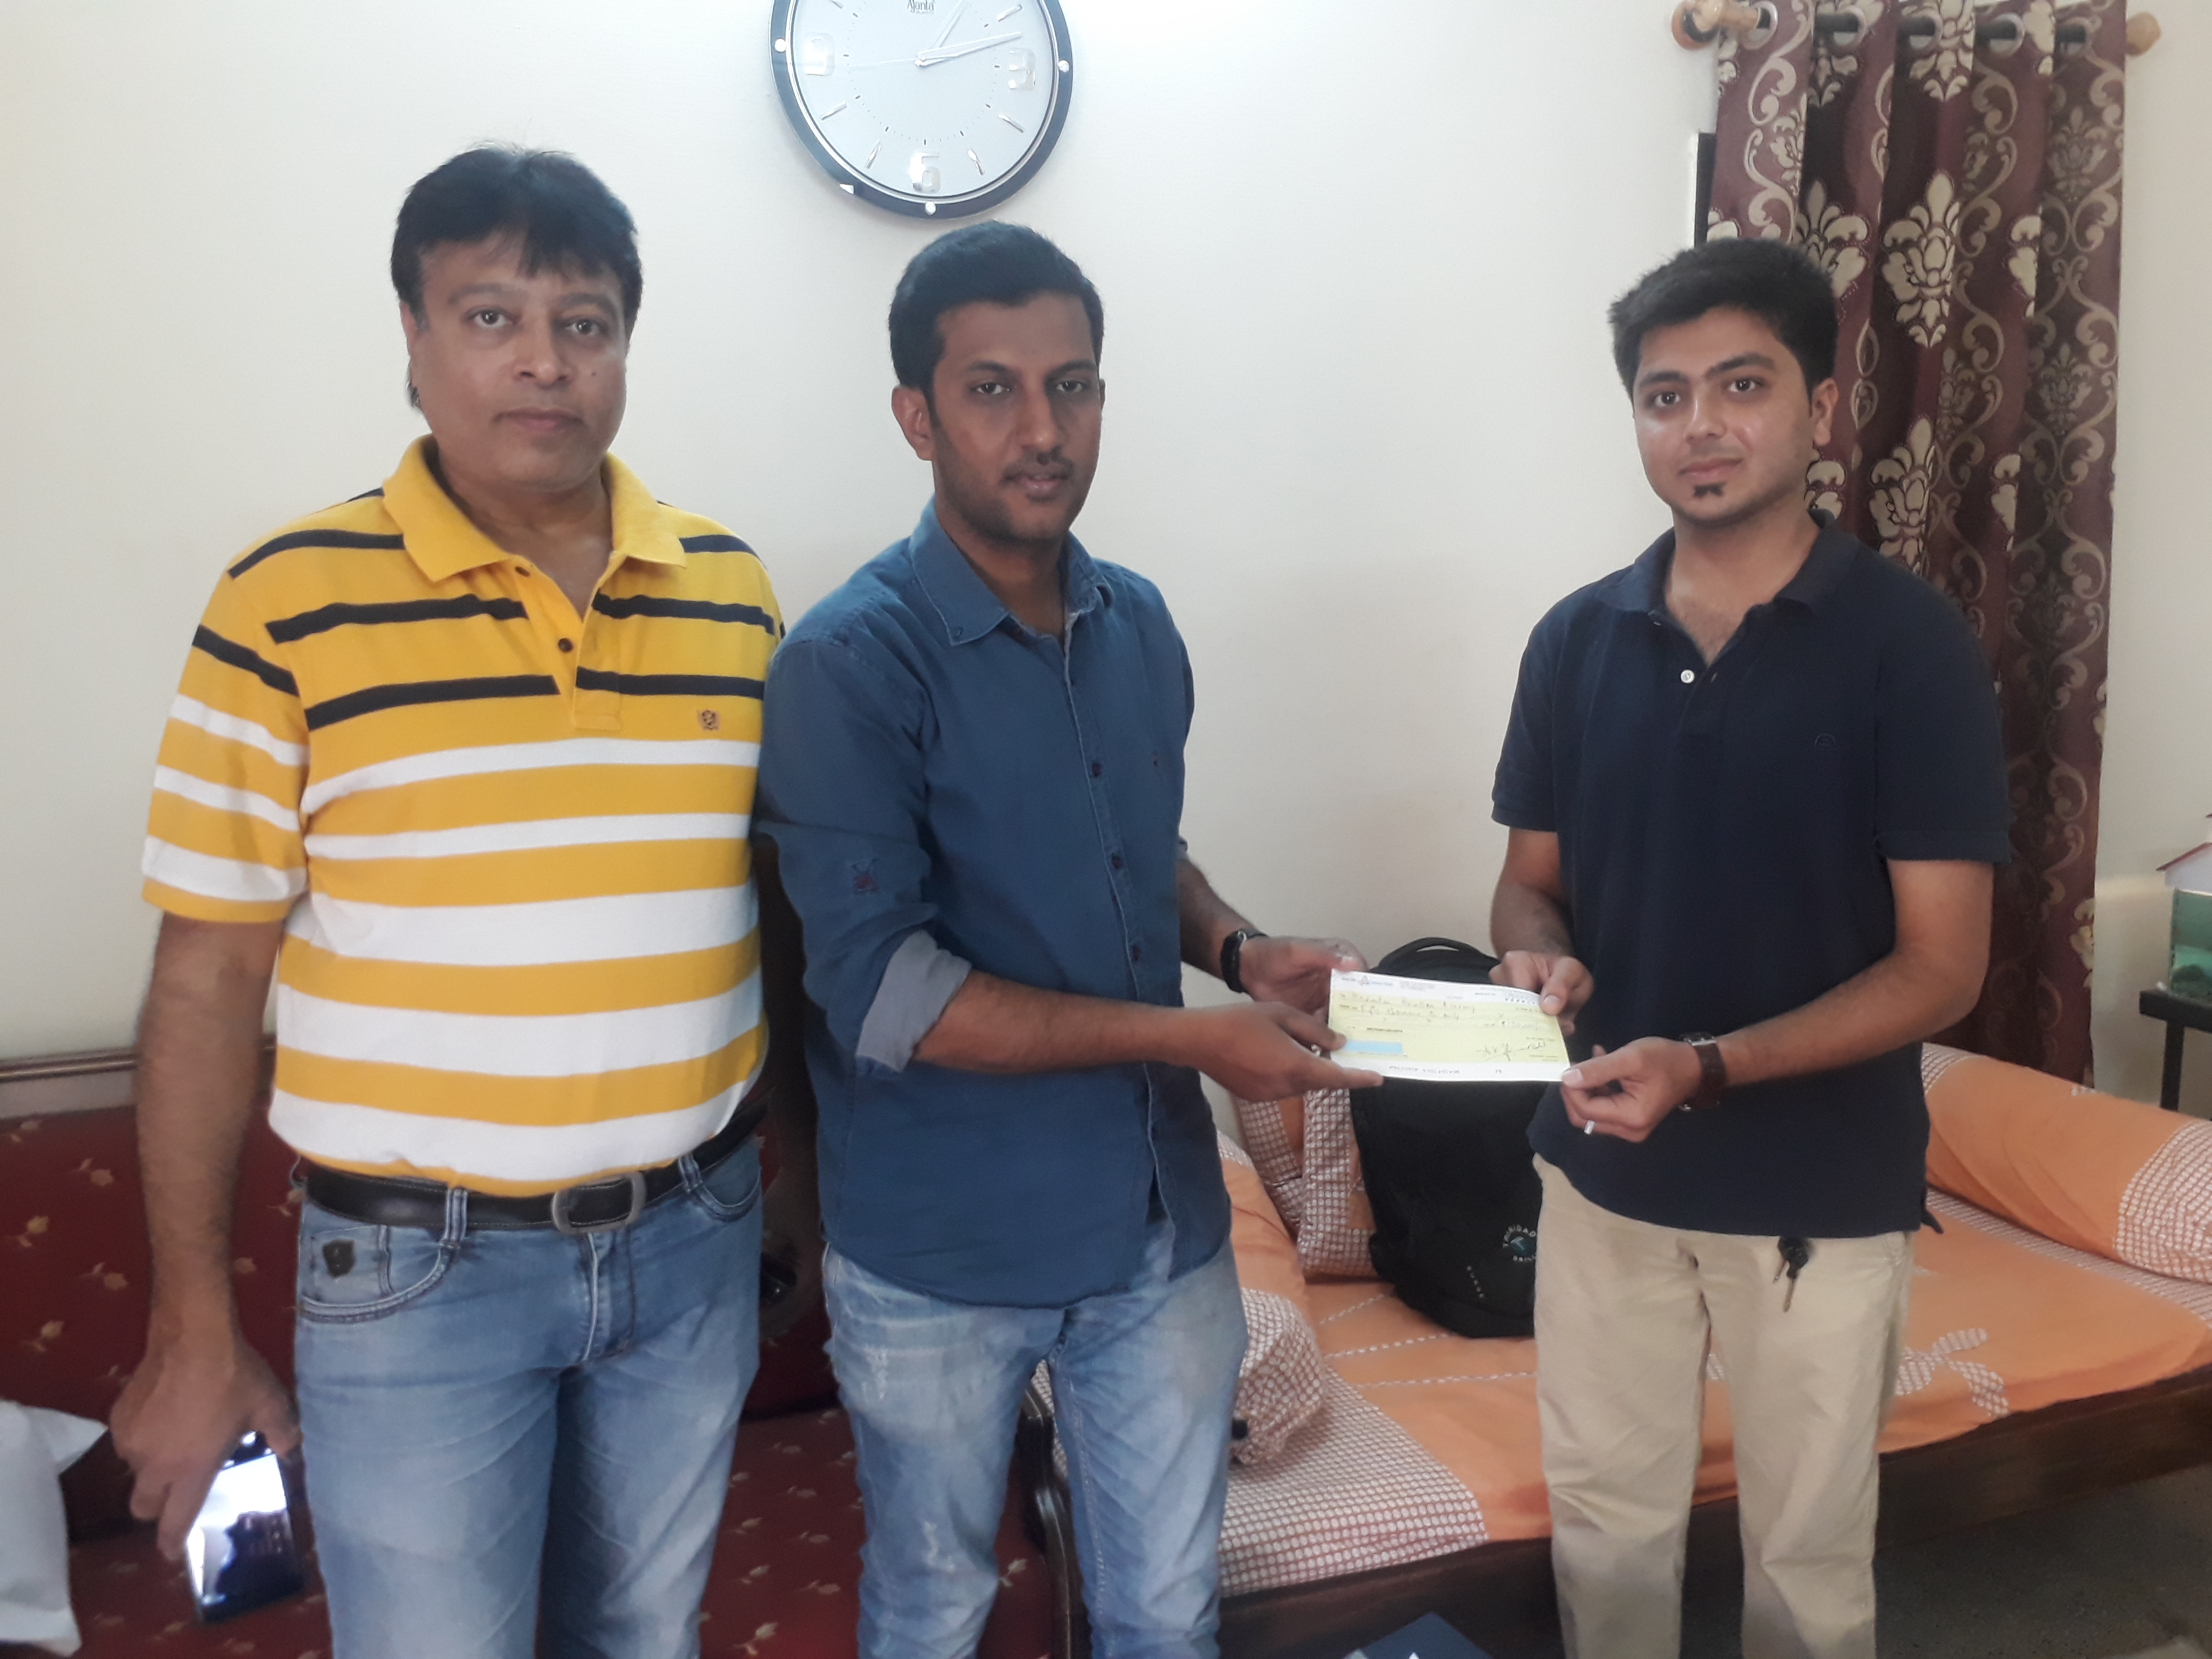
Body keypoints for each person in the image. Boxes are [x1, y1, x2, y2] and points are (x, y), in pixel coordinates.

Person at [110, 146, 815, 1659]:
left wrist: (797, 1174)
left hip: (693, 1241)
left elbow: (767, 908)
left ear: (626, 347)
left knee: (643, 1639)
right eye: (492, 317)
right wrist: (191, 1327)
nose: (544, 361)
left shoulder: (731, 593)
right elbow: (206, 982)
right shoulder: (284, 603)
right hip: (420, 1274)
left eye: (585, 322)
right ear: (415, 342)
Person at [754, 222, 1379, 1659]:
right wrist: (1196, 1040)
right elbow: (889, 992)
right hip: (939, 1251)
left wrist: (1239, 951)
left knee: (1167, 1611)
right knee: (936, 1609)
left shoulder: (1137, 623)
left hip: (1156, 1231)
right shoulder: (847, 665)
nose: (1042, 431)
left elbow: (1133, 853)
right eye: (992, 390)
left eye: (1073, 386)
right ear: (916, 416)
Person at [1486, 237, 2009, 1659]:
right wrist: (1536, 961)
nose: (1700, 426)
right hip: (1603, 1168)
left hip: (1817, 1194)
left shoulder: (1908, 649)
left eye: (1742, 385)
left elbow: (1943, 967)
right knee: (1606, 1528)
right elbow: (1527, 889)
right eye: (1664, 396)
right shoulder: (1574, 641)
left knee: (1805, 1559)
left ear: (1820, 410)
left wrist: (1708, 1067)